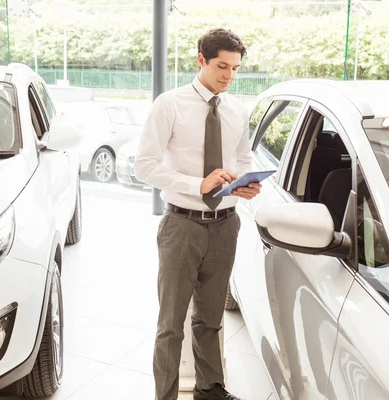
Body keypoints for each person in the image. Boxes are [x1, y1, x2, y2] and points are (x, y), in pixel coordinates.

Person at [134, 28, 260, 400]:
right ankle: (166, 396)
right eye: (222, 66)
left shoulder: (237, 110)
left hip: (226, 226)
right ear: (201, 60)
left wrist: (246, 184)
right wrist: (196, 184)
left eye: (236, 69)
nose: (229, 75)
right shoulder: (169, 104)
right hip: (182, 225)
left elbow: (243, 160)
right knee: (171, 325)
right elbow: (143, 166)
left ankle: (210, 390)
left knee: (210, 318)